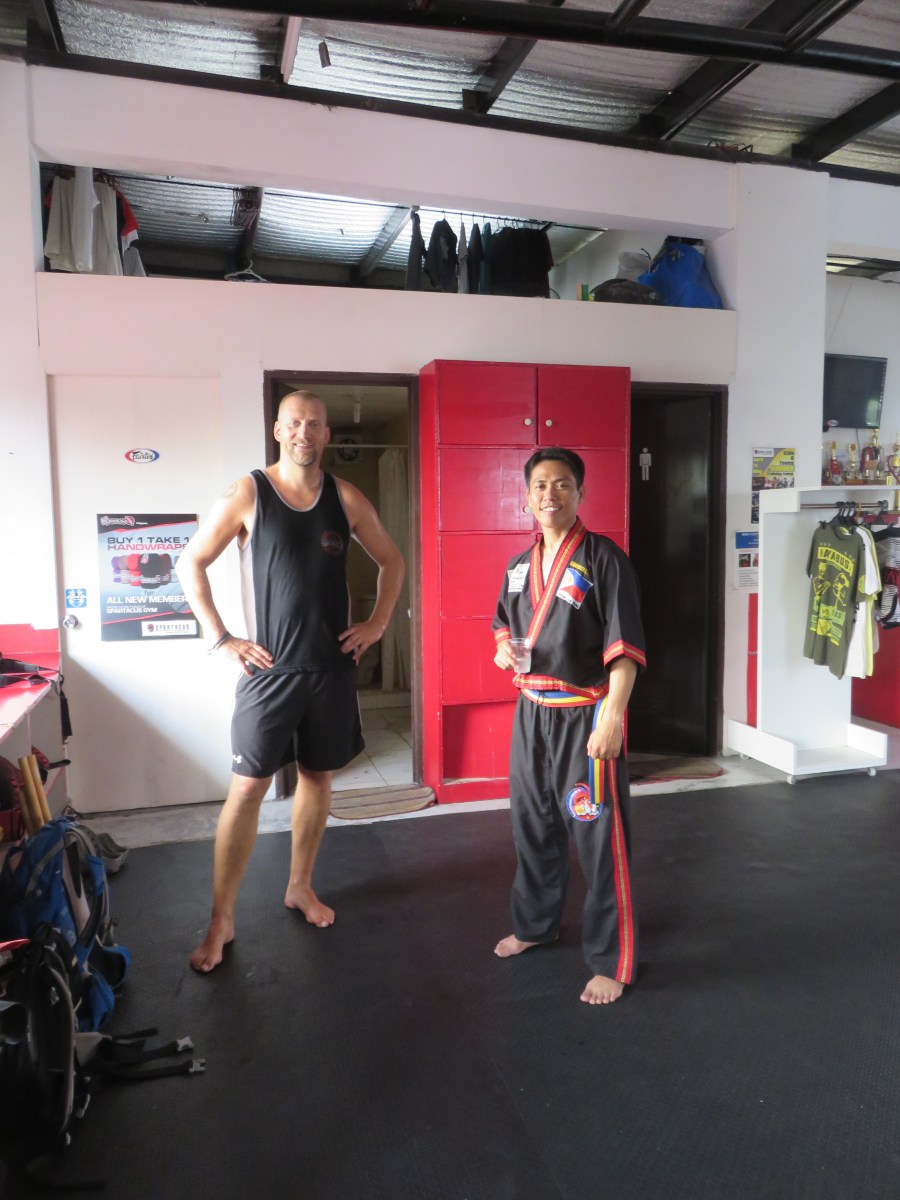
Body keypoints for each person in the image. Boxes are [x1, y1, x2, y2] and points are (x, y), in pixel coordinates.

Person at [178, 390, 405, 972]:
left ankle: (300, 886)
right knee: (247, 789)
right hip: (269, 671)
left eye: (315, 424)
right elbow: (190, 562)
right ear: (279, 431)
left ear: (327, 434)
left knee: (318, 777)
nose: (305, 432)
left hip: (331, 669)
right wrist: (222, 637)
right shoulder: (249, 492)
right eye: (295, 423)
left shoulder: (345, 498)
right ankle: (221, 919)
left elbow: (393, 559)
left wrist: (378, 623)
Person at [491, 447, 646, 1005]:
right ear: (527, 497)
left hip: (585, 715)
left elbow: (624, 650)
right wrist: (502, 651)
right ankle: (536, 924)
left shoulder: (605, 559)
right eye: (539, 486)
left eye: (561, 484)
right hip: (531, 713)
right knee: (532, 825)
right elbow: (502, 626)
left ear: (580, 492)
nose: (549, 494)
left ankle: (611, 959)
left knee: (598, 836)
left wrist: (612, 719)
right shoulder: (517, 566)